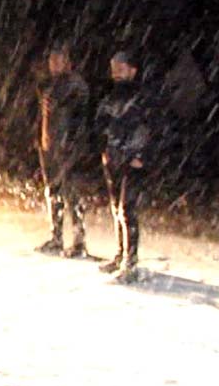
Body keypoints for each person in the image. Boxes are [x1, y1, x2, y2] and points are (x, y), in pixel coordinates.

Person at [96, 50, 158, 282]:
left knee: (127, 209)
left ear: (133, 70)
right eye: (113, 68)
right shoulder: (110, 95)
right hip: (112, 157)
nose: (116, 72)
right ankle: (120, 254)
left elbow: (150, 127)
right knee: (115, 208)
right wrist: (103, 147)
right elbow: (100, 122)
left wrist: (141, 154)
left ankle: (130, 263)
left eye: (121, 68)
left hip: (133, 160)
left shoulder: (142, 96)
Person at [35, 40, 91, 257]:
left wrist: (74, 143)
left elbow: (80, 117)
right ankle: (56, 236)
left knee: (72, 192)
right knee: (53, 191)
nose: (54, 63)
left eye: (60, 59)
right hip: (50, 145)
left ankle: (79, 241)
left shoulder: (77, 86)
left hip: (69, 147)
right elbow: (43, 115)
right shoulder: (49, 86)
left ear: (69, 62)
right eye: (52, 59)